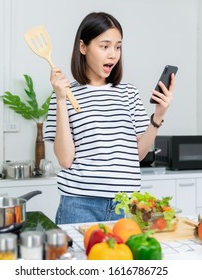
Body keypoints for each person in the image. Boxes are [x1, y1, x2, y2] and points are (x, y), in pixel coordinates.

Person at [44, 12, 175, 224]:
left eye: (118, 47)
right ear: (83, 47)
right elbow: (65, 160)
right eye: (105, 46)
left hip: (126, 205)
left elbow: (139, 155)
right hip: (79, 204)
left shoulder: (129, 93)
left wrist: (158, 116)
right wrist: (61, 100)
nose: (113, 54)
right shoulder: (63, 94)